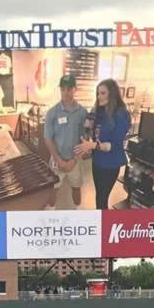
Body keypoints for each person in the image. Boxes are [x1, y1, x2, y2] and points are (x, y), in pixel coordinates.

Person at [76, 78, 130, 211]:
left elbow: (115, 145)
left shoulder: (122, 114)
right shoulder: (98, 110)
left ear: (112, 94)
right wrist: (86, 137)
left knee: (102, 196)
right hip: (98, 161)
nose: (99, 96)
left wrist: (92, 146)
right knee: (99, 195)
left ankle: (102, 224)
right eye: (98, 93)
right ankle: (99, 220)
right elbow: (87, 128)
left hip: (111, 163)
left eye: (102, 93)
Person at [43, 74, 90, 210]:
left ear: (75, 89)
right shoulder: (52, 113)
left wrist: (74, 160)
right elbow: (48, 138)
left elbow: (85, 138)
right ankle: (51, 214)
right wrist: (59, 161)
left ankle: (76, 211)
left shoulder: (82, 112)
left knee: (76, 188)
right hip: (57, 160)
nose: (66, 92)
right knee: (53, 189)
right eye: (63, 89)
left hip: (75, 160)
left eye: (69, 89)